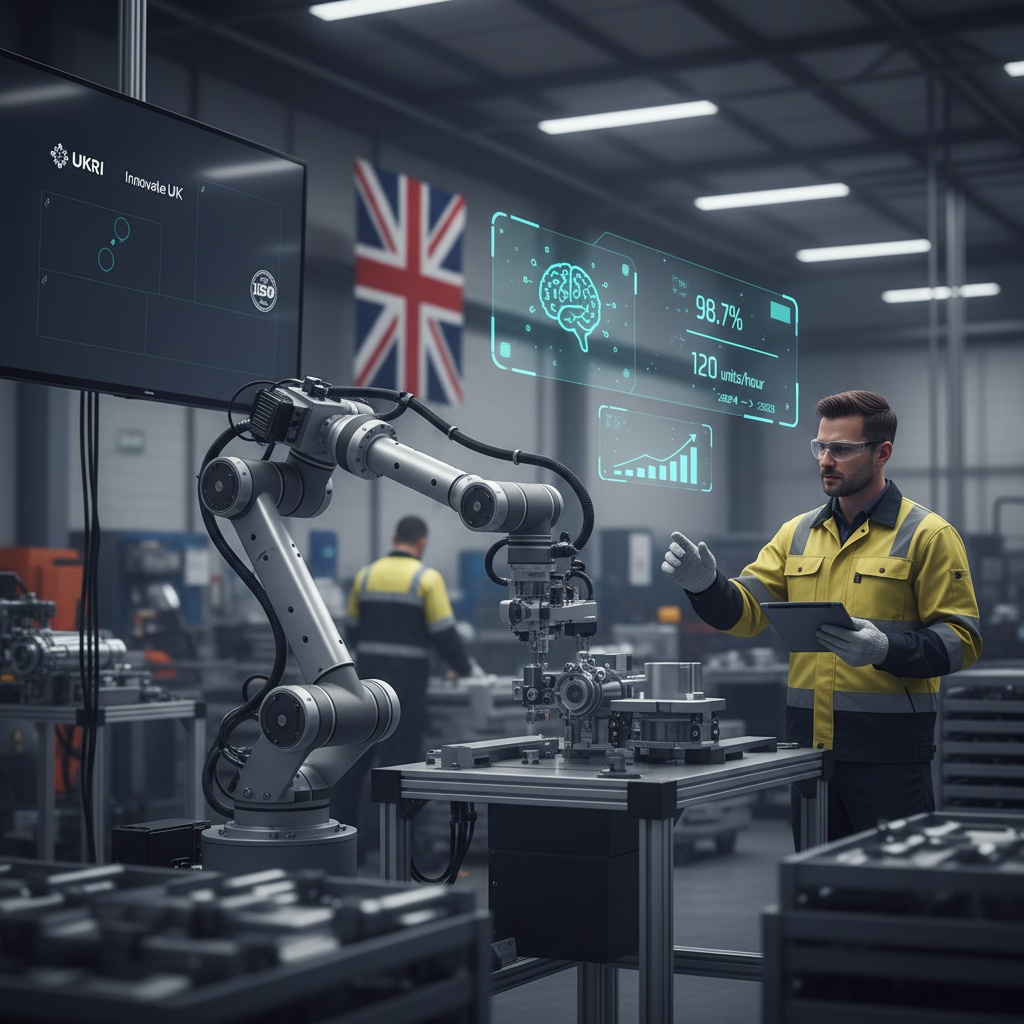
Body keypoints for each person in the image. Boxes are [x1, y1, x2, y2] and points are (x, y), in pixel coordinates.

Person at [661, 390, 982, 847]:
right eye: (820, 447)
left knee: (895, 893)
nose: (826, 460)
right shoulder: (796, 533)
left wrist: (886, 649)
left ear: (882, 452)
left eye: (842, 449)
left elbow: (962, 639)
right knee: (814, 893)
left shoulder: (928, 536)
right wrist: (705, 586)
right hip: (808, 751)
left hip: (888, 756)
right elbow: (747, 613)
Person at [331, 514, 474, 854]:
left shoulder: (365, 577)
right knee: (399, 769)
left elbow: (349, 633)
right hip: (405, 692)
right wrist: (465, 669)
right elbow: (444, 634)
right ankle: (397, 847)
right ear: (420, 543)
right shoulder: (426, 579)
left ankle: (347, 844)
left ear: (395, 537)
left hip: (364, 688)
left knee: (353, 767)